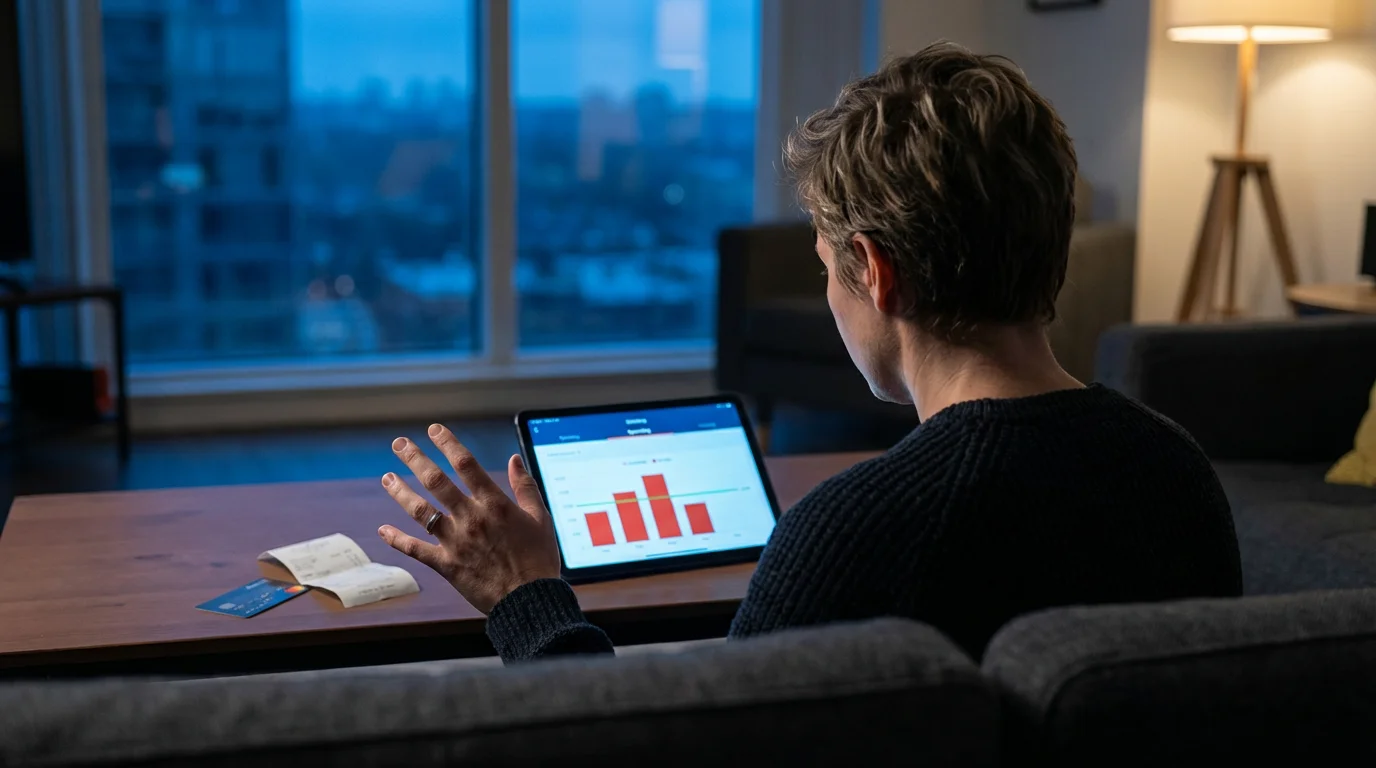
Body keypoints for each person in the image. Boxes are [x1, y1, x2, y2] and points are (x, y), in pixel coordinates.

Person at [375, 42, 1243, 662]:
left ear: (875, 271)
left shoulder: (855, 531)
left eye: (826, 266)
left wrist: (529, 599)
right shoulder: (1177, 474)